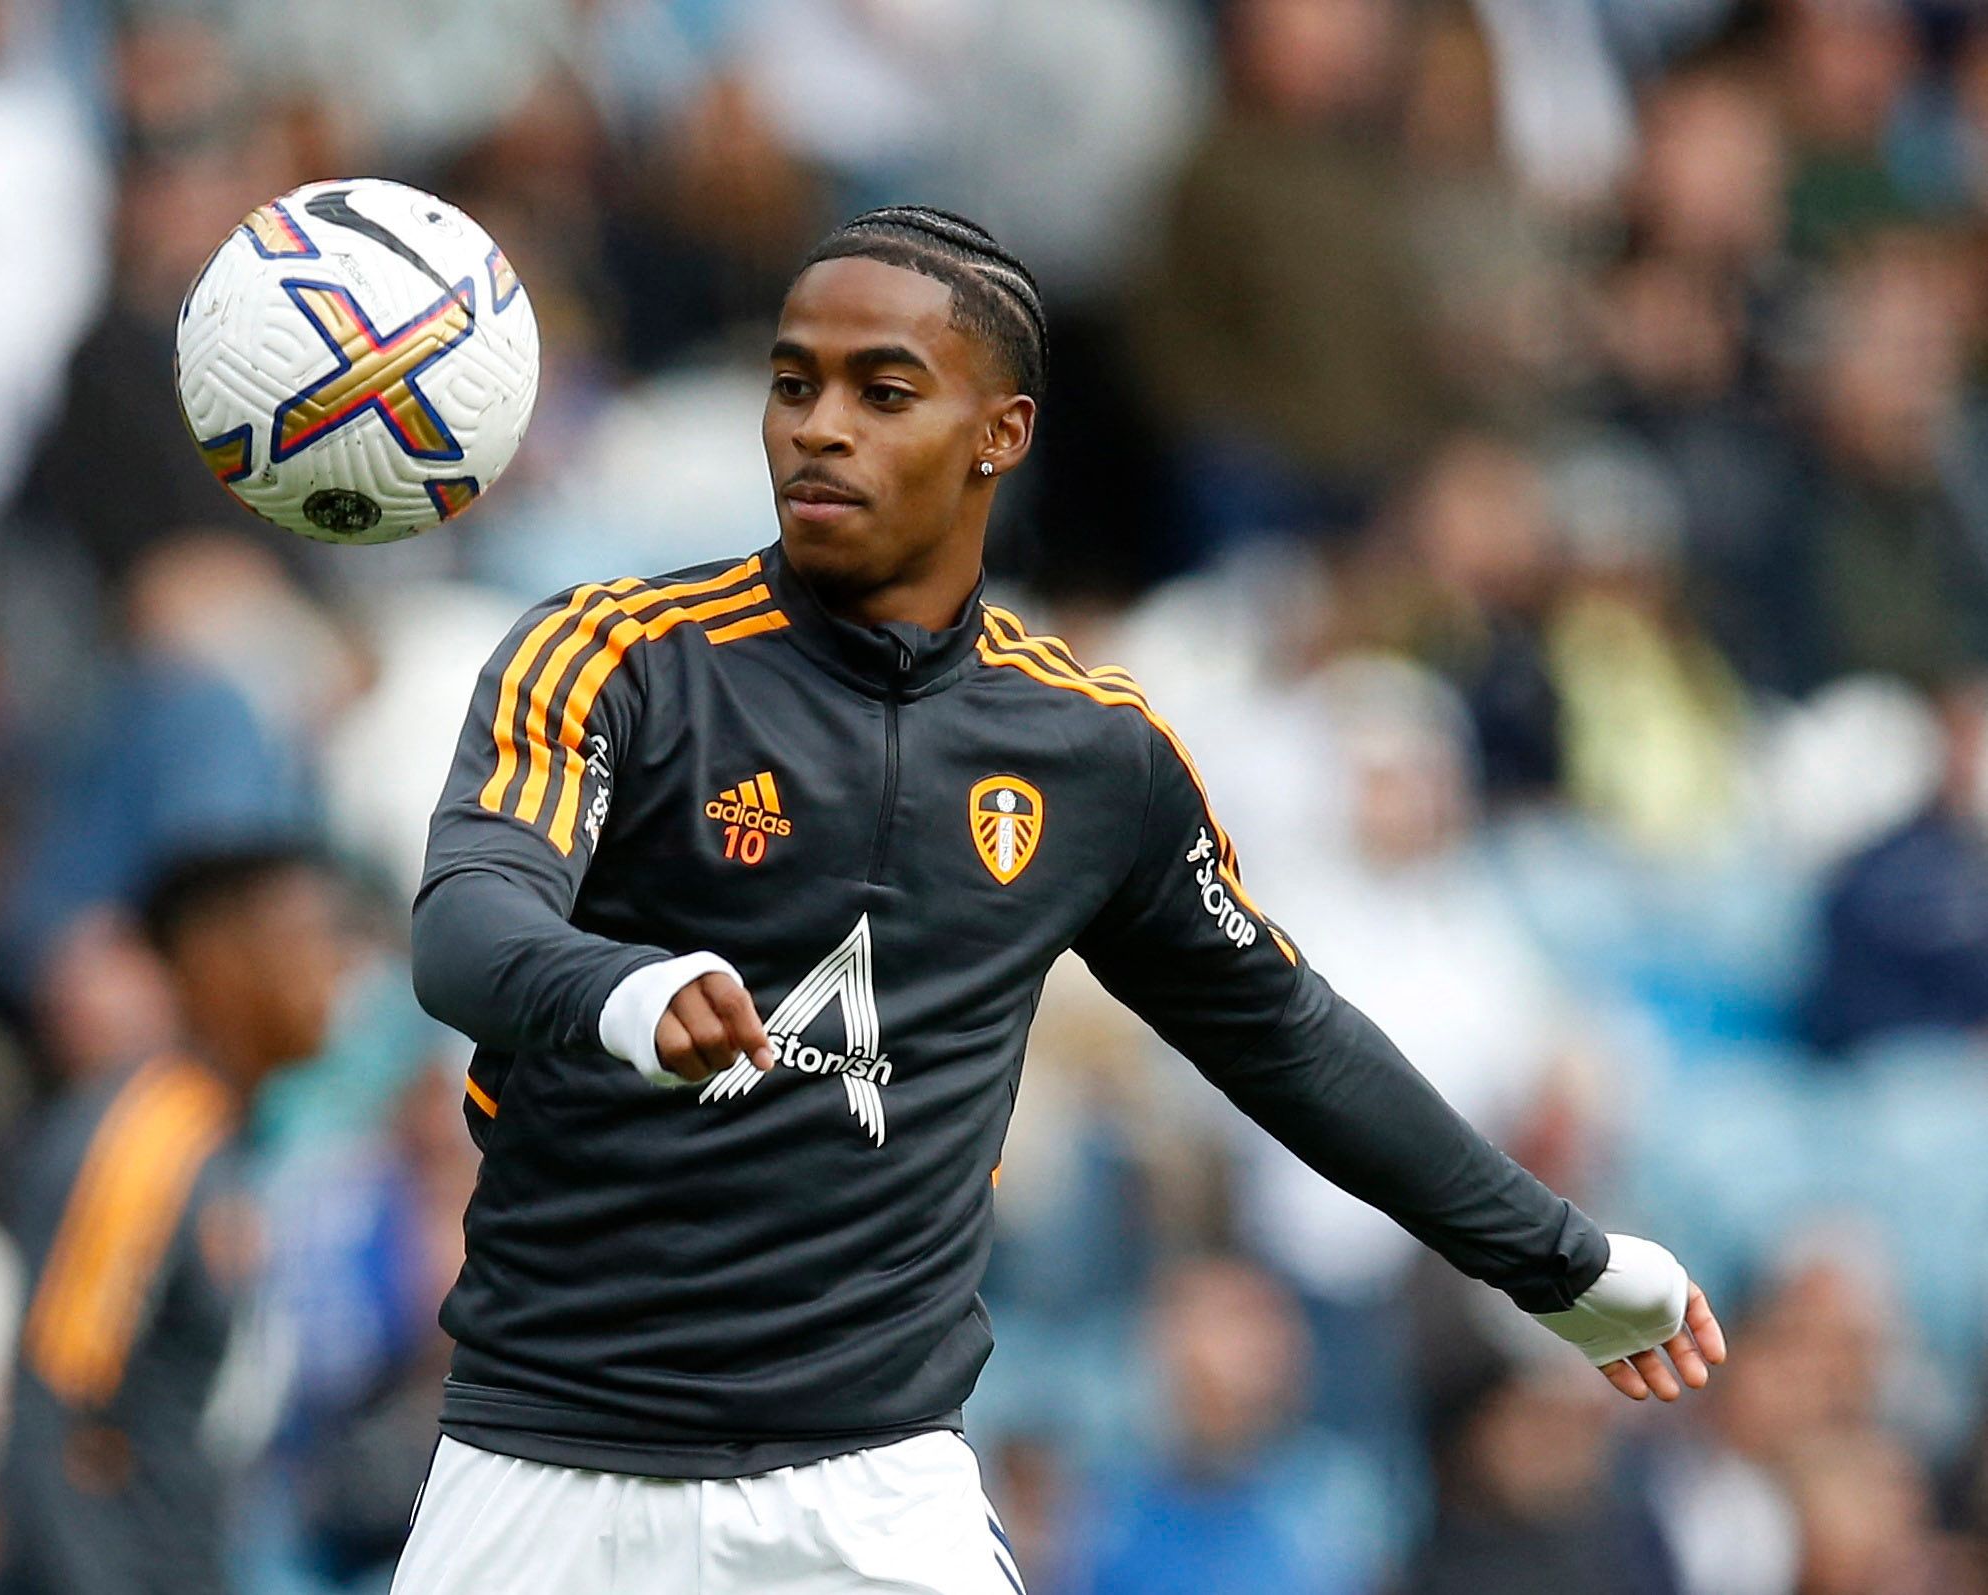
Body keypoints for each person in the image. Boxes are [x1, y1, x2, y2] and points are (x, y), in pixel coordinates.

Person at [400, 206, 1727, 1594]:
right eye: (793, 383)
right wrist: (621, 989)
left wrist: (1555, 1257)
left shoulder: (1089, 752)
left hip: (869, 1491)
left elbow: (1282, 1033)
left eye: (882, 389)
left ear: (1002, 432)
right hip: (549, 1475)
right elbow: (468, 921)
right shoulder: (614, 654)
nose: (818, 426)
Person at [0, 842, 351, 1595]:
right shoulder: (145, 1145)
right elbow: (53, 1420)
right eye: (305, 938)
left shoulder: (221, 1138)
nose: (338, 969)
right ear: (217, 961)